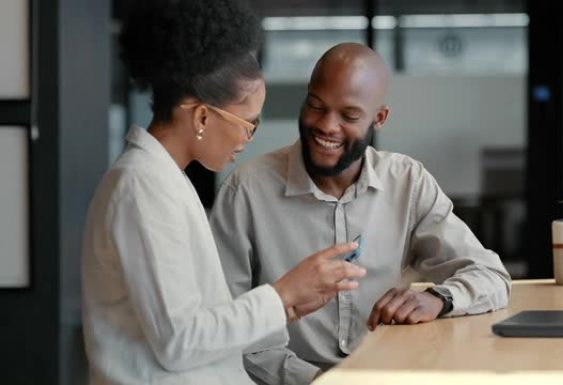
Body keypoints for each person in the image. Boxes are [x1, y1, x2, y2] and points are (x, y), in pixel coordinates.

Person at [80, 3, 366, 384]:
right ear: (201, 116)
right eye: (248, 124)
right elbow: (180, 341)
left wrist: (287, 306)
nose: (248, 139)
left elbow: (195, 328)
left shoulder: (162, 180)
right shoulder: (141, 188)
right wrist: (280, 295)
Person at [210, 42, 512, 385]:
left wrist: (438, 298)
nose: (327, 126)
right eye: (316, 106)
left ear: (378, 118)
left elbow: (491, 276)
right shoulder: (246, 191)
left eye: (349, 116)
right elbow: (227, 327)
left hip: (390, 374)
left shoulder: (407, 182)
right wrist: (320, 380)